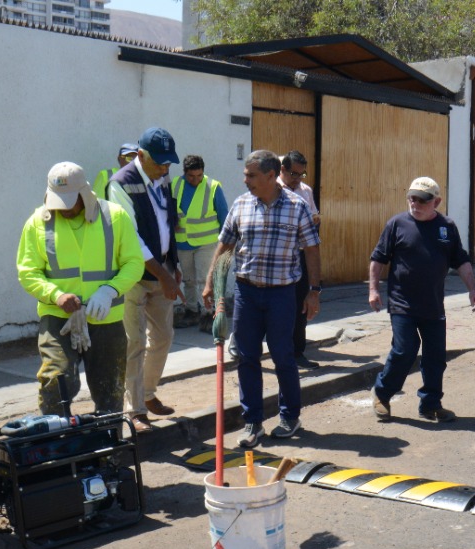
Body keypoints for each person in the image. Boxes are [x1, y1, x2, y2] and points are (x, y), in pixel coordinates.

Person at [202, 150, 321, 448]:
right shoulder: (241, 205)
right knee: (246, 356)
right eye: (245, 174)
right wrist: (211, 282)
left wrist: (314, 291)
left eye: (251, 175)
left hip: (282, 294)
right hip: (246, 293)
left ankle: (290, 417)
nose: (245, 180)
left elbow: (312, 250)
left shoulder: (297, 207)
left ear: (271, 175)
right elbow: (225, 246)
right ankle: (253, 422)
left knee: (283, 356)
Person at [16, 162, 145, 418]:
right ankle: (56, 445)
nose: (63, 210)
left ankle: (109, 451)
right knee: (57, 380)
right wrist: (57, 295)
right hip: (58, 319)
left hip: (105, 319)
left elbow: (134, 262)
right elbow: (28, 271)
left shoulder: (115, 218)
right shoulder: (37, 223)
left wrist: (110, 290)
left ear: (85, 194)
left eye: (70, 202)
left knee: (110, 389)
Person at [368, 177, 475, 423]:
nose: (415, 203)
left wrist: (472, 289)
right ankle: (382, 393)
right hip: (402, 304)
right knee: (404, 349)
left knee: (435, 356)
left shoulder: (447, 227)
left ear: (436, 202)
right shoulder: (397, 224)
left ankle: (430, 404)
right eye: (412, 198)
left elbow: (460, 260)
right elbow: (378, 259)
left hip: (432, 304)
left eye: (422, 200)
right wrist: (374, 290)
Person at [106, 127, 183, 432]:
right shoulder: (120, 184)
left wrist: (174, 265)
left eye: (168, 163)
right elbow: (131, 239)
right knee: (134, 342)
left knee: (163, 337)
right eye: (159, 162)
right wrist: (164, 275)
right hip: (132, 275)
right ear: (140, 156)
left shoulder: (162, 179)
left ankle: (148, 394)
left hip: (162, 269)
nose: (165, 168)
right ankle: (134, 410)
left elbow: (168, 223)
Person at [170, 154, 230, 332]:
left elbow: (223, 215)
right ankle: (191, 311)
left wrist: (225, 244)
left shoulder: (213, 187)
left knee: (206, 280)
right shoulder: (175, 184)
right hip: (183, 243)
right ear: (184, 173)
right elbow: (169, 210)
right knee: (188, 280)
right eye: (191, 176)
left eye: (199, 175)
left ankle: (208, 314)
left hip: (207, 243)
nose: (195, 180)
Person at [279, 151, 322, 369]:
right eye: (293, 174)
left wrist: (313, 221)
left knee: (300, 305)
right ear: (282, 170)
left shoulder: (306, 191)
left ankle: (297, 352)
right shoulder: (273, 189)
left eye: (301, 174)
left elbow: (314, 218)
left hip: (300, 255)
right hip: (279, 257)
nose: (297, 179)